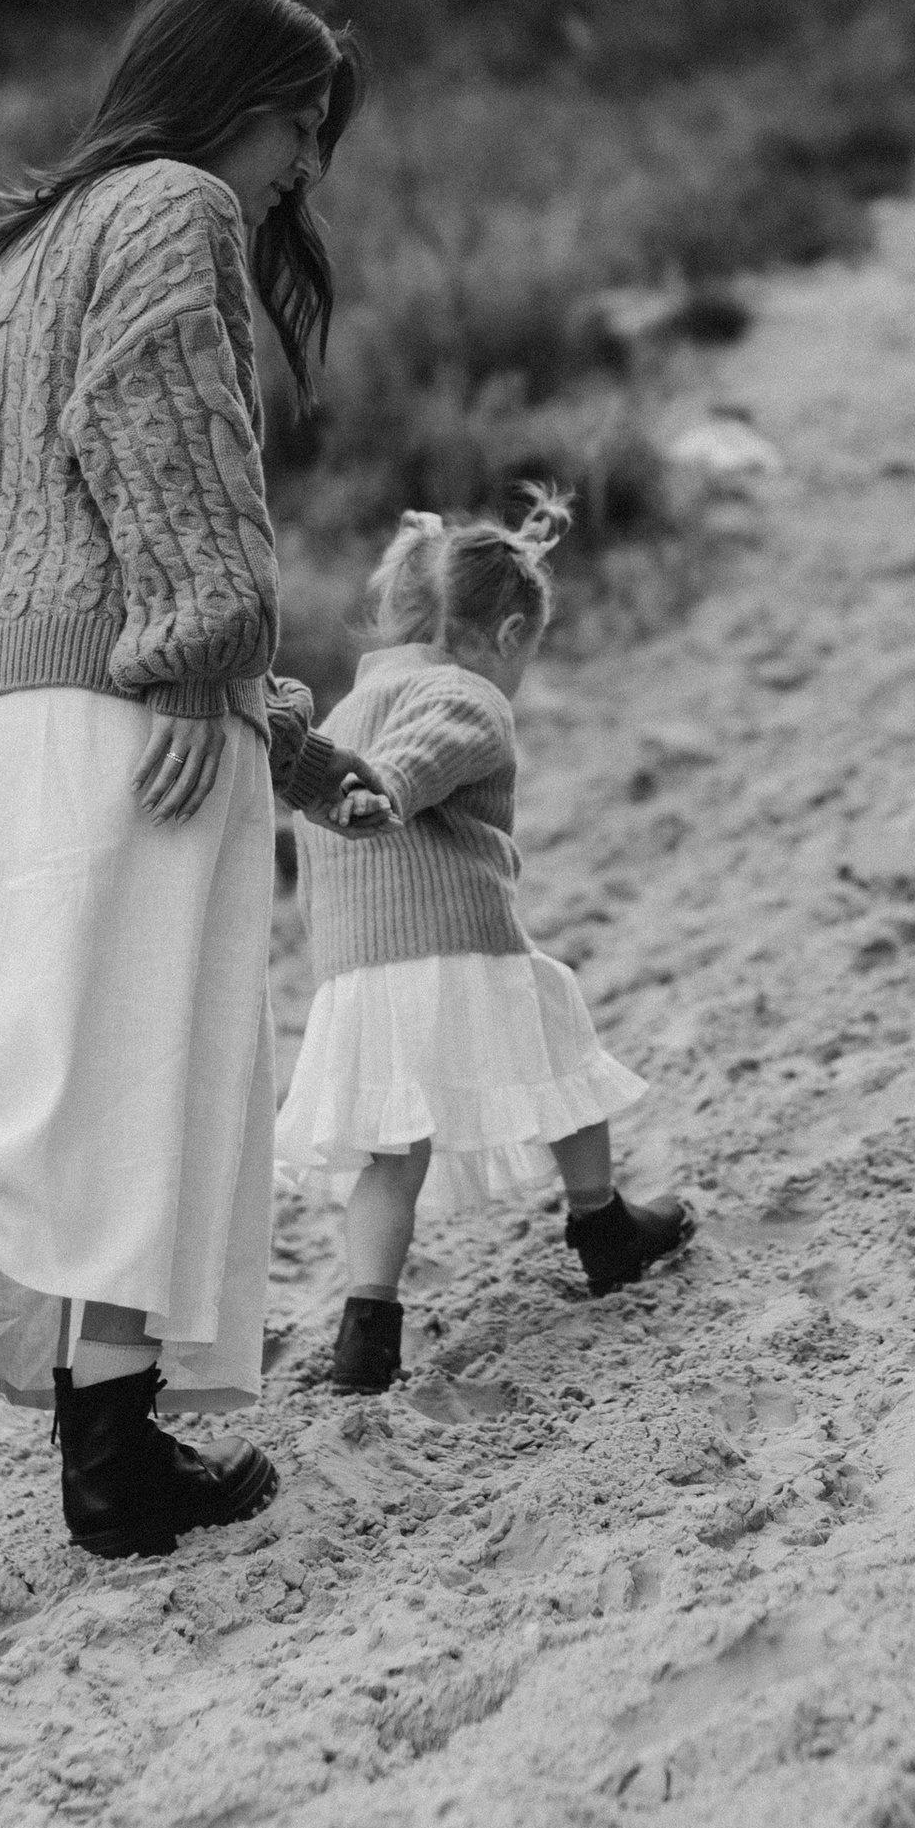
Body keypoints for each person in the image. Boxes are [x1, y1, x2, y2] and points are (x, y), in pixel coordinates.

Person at [0, 0, 384, 1560]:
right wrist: (202, 654)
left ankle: (112, 1460)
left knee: (85, 1059)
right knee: (148, 1058)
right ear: (222, 97)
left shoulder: (25, 251)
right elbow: (161, 423)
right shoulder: (172, 201)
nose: (299, 169)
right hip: (125, 685)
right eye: (296, 127)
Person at [275, 491, 693, 1392]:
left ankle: (368, 1328)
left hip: (355, 973)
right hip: (457, 945)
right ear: (507, 634)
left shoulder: (339, 719)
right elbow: (424, 756)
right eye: (527, 656)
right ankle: (602, 1225)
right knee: (562, 1048)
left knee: (391, 1155)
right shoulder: (465, 694)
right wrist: (384, 785)